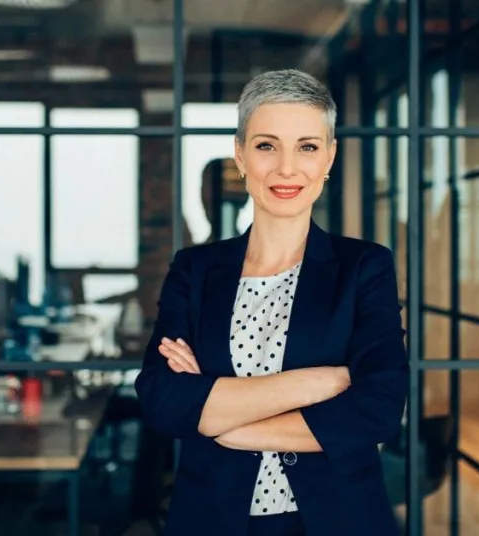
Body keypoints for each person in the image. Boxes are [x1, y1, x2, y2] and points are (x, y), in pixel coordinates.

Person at [134, 69, 408, 536]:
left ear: (329, 157)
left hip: (337, 520)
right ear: (240, 155)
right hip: (213, 518)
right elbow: (162, 399)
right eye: (266, 146)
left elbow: (379, 409)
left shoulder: (364, 266)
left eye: (307, 146)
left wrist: (227, 424)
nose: (286, 168)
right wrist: (321, 383)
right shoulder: (196, 270)